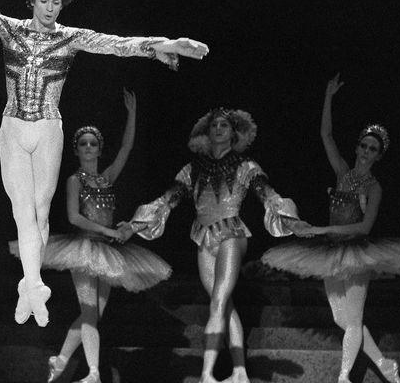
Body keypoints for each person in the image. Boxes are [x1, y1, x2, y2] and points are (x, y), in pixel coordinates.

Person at [0, 0, 208, 328]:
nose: (49, 8)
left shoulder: (70, 37)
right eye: (43, 0)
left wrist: (162, 44)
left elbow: (115, 44)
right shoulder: (9, 28)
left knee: (41, 213)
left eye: (56, 2)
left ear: (63, 5)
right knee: (22, 211)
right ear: (32, 0)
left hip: (48, 129)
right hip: (13, 127)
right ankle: (34, 284)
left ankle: (28, 286)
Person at [261, 74, 400, 383]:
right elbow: (326, 135)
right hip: (330, 251)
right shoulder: (342, 172)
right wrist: (328, 97)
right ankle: (384, 365)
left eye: (373, 149)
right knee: (341, 318)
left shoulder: (375, 186)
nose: (366, 151)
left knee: (353, 318)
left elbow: (365, 225)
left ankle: (344, 377)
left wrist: (319, 230)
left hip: (357, 251)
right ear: (357, 147)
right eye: (364, 145)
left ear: (378, 156)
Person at [126, 108, 310, 383]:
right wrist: (133, 225)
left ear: (234, 133)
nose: (218, 129)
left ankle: (207, 374)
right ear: (206, 133)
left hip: (231, 234)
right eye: (214, 125)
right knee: (222, 304)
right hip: (203, 237)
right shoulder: (192, 169)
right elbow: (166, 200)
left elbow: (268, 196)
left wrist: (292, 222)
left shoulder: (245, 166)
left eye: (224, 125)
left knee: (218, 302)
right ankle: (239, 372)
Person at [10, 88, 172, 383]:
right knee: (88, 311)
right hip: (83, 250)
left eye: (92, 144)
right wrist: (109, 230)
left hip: (108, 251)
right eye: (83, 144)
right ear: (77, 149)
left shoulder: (106, 178)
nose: (87, 147)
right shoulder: (74, 180)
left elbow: (126, 148)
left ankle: (59, 361)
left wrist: (133, 115)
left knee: (92, 315)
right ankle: (94, 373)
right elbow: (74, 217)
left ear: (99, 149)